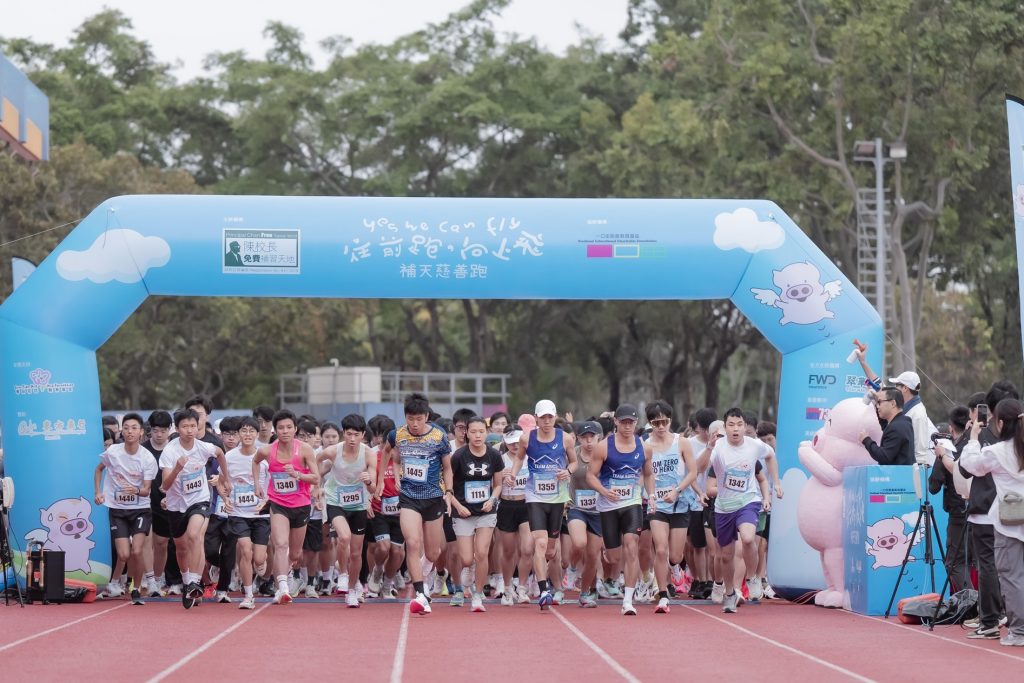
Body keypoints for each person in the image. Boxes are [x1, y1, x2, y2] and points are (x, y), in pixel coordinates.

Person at [377, 393, 453, 615]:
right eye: (411, 419)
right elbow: (386, 452)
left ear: (427, 417)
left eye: (419, 419)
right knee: (411, 542)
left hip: (433, 497)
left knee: (433, 552)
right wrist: (381, 480)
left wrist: (449, 492)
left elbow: (447, 467)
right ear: (405, 417)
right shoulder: (398, 434)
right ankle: (420, 593)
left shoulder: (438, 437)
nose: (415, 424)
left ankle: (425, 573)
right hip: (409, 497)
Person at [959, 397, 1024, 647]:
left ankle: (1019, 631)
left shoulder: (997, 451)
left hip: (1010, 519)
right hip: (1010, 518)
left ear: (1000, 423)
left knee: (1011, 577)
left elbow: (970, 465)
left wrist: (973, 438)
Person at [696, 408, 771, 614]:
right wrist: (709, 448)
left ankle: (753, 578)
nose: (736, 429)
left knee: (748, 538)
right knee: (726, 555)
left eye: (739, 425)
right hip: (723, 507)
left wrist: (774, 487)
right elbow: (698, 469)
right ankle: (729, 592)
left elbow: (770, 459)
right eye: (731, 425)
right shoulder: (718, 449)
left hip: (748, 501)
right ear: (725, 428)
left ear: (744, 427)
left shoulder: (753, 446)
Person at [158, 408, 230, 609]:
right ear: (177, 428)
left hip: (200, 499)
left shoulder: (203, 447)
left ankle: (195, 582)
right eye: (185, 426)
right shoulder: (170, 451)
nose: (189, 430)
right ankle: (187, 581)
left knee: (194, 536)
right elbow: (165, 485)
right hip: (176, 504)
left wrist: (225, 477)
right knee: (181, 548)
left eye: (192, 426)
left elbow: (220, 453)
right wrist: (177, 469)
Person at [509, 399, 577, 609]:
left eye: (550, 417)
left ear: (555, 417)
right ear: (536, 418)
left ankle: (548, 581)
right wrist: (513, 474)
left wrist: (568, 471)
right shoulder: (527, 438)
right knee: (539, 543)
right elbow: (519, 459)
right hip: (535, 496)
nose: (547, 421)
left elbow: (574, 462)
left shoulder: (565, 438)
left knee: (550, 550)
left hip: (557, 498)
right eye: (543, 417)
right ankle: (543, 590)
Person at [586, 404, 652, 616]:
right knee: (615, 558)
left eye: (631, 422)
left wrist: (651, 496)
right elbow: (590, 475)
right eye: (623, 422)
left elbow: (648, 474)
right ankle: (608, 552)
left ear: (636, 423)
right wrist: (604, 491)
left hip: (632, 503)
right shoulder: (603, 447)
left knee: (632, 545)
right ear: (616, 422)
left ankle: (628, 600)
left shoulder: (644, 447)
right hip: (608, 506)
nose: (627, 426)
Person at [253, 409, 320, 605]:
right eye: (281, 428)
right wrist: (257, 484)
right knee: (280, 544)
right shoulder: (267, 450)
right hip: (278, 503)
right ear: (275, 430)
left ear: (295, 428)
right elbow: (255, 462)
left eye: (289, 427)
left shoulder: (305, 450)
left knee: (295, 553)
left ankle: (286, 571)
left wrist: (298, 475)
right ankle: (282, 587)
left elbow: (316, 478)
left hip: (301, 505)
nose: (285, 431)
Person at [94, 412, 157, 605]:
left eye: (134, 428)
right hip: (118, 510)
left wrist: (136, 490)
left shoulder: (147, 458)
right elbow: (99, 469)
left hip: (140, 510)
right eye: (127, 428)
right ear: (122, 431)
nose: (130, 432)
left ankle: (136, 589)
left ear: (141, 432)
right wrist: (98, 492)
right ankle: (116, 582)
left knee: (137, 551)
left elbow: (146, 490)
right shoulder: (113, 452)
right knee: (123, 554)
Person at [646, 401, 699, 614]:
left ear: (670, 420)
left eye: (664, 422)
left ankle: (675, 568)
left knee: (675, 556)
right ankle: (662, 594)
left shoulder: (682, 442)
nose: (661, 426)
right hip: (657, 505)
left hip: (679, 503)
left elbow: (693, 472)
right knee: (660, 550)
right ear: (650, 423)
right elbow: (644, 474)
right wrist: (650, 495)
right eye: (656, 423)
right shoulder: (645, 445)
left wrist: (677, 491)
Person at [447, 416, 505, 611]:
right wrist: (457, 506)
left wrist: (492, 500)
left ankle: (478, 596)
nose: (477, 435)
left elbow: (498, 485)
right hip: (463, 512)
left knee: (481, 553)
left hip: (486, 512)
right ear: (467, 433)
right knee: (466, 559)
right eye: (473, 432)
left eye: (481, 431)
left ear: (487, 432)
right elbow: (447, 486)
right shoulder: (458, 456)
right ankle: (470, 568)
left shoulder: (494, 456)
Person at [318, 414, 377, 608]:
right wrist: (315, 485)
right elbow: (315, 460)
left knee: (356, 553)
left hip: (358, 505)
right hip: (336, 501)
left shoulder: (368, 454)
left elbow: (373, 489)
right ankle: (343, 574)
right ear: (344, 433)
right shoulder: (333, 451)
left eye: (356, 435)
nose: (352, 438)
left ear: (363, 435)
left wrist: (368, 480)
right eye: (349, 434)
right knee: (344, 537)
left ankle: (352, 589)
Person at [216, 416, 269, 610]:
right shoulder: (229, 457)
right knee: (246, 550)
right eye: (244, 431)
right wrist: (225, 499)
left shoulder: (265, 455)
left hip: (261, 514)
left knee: (258, 558)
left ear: (257, 434)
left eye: (251, 431)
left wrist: (266, 500)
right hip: (238, 514)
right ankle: (248, 595)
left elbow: (272, 482)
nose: (247, 435)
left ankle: (262, 563)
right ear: (239, 434)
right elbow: (220, 482)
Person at [853, 343, 934, 464]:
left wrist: (917, 472)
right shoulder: (898, 405)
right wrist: (863, 362)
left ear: (905, 388)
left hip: (910, 469)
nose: (894, 388)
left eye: (897, 385)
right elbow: (879, 386)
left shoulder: (918, 413)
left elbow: (920, 450)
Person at [930, 405, 971, 592]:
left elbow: (933, 487)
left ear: (950, 428)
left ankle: (972, 604)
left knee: (954, 563)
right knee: (981, 562)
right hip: (982, 511)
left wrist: (940, 457)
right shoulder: (976, 447)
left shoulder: (948, 451)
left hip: (958, 513)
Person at [366, 415, 406, 600]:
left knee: (397, 552)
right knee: (382, 547)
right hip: (379, 509)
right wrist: (367, 500)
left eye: (385, 436)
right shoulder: (373, 456)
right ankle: (377, 571)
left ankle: (388, 584)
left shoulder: (402, 457)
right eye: (379, 436)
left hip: (401, 511)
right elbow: (366, 480)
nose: (382, 441)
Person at [567, 420, 604, 608]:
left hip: (598, 511)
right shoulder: (573, 455)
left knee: (592, 557)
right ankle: (572, 568)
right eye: (585, 437)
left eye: (592, 437)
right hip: (577, 508)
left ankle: (584, 593)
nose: (589, 441)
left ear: (599, 438)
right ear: (578, 439)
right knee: (579, 543)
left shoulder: (605, 455)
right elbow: (562, 475)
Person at [497, 423, 534, 606]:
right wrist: (500, 477)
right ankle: (507, 587)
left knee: (527, 549)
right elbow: (491, 484)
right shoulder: (500, 459)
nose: (515, 445)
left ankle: (522, 587)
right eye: (511, 441)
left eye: (518, 441)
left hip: (526, 505)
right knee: (508, 551)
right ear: (505, 441)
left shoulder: (530, 458)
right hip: (507, 506)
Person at [142, 410, 177, 596]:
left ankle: (157, 577)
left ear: (169, 429)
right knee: (146, 542)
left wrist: (170, 496)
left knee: (162, 543)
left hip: (167, 501)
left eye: (163, 431)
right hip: (144, 502)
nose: (159, 434)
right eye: (155, 430)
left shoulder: (174, 449)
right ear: (150, 430)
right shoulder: (143, 449)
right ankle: (149, 579)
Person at [859, 387, 915, 465]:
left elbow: (884, 457)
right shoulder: (903, 422)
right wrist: (876, 402)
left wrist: (867, 440)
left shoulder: (896, 427)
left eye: (880, 402)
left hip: (896, 473)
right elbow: (886, 427)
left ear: (893, 403)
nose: (878, 406)